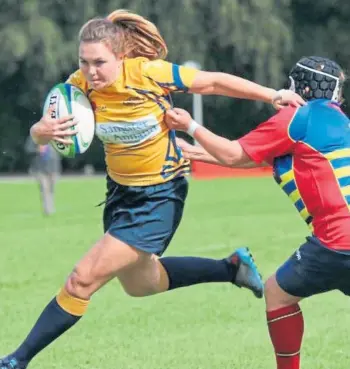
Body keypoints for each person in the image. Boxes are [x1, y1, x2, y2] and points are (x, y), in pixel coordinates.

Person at [0, 9, 304, 369]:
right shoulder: (77, 87)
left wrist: (272, 95)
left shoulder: (147, 73)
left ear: (122, 56)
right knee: (141, 284)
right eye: (84, 61)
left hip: (160, 196)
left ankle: (16, 360)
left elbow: (211, 82)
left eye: (99, 62)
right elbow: (41, 131)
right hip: (119, 194)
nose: (91, 71)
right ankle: (230, 268)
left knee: (81, 280)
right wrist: (41, 132)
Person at [165, 55, 349, 369]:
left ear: (298, 86)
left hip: (337, 240)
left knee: (277, 293)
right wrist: (194, 153)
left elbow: (236, 154)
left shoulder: (297, 117)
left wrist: (190, 126)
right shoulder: (338, 120)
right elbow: (252, 157)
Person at [24, 135, 62, 215]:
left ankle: (50, 207)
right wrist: (37, 150)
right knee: (44, 189)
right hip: (40, 168)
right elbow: (28, 149)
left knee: (51, 189)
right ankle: (47, 210)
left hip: (53, 167)